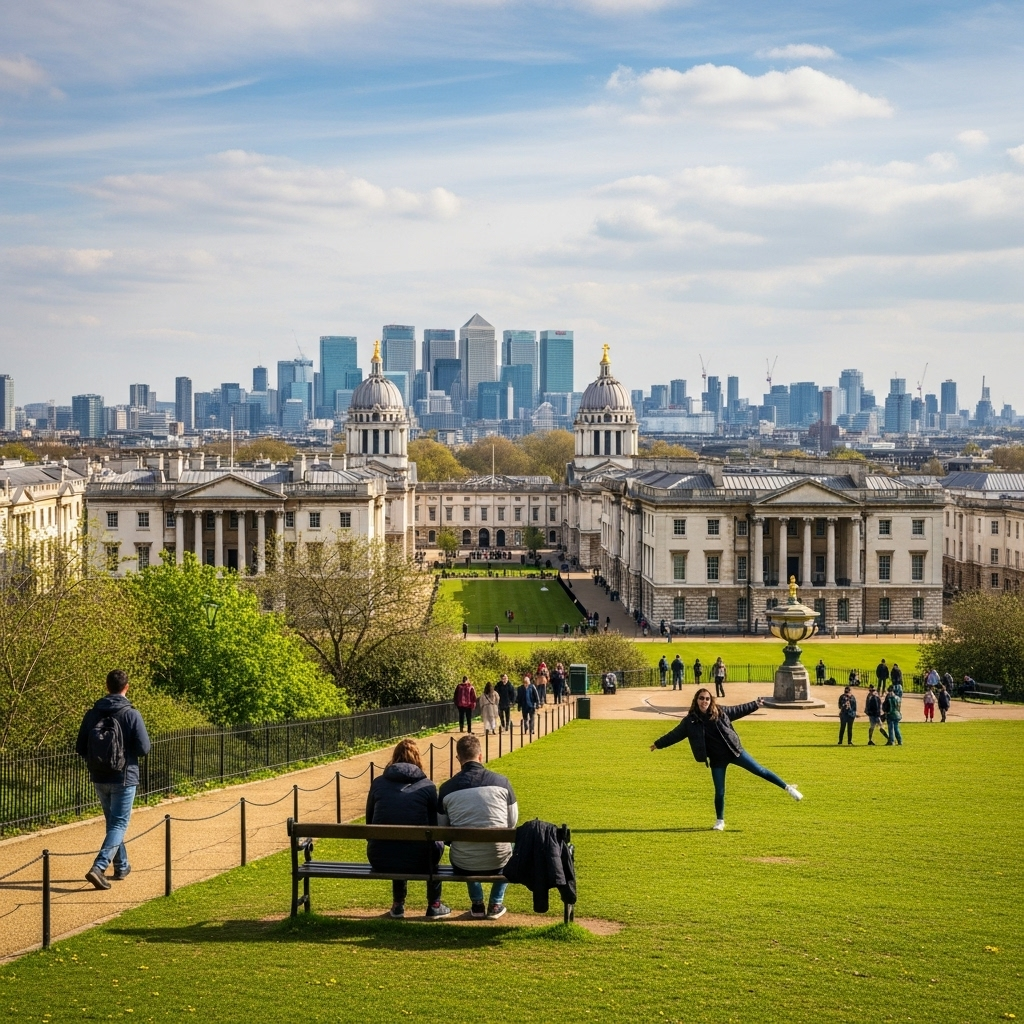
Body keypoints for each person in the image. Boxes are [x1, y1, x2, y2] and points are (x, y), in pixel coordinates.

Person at [650, 688, 802, 831]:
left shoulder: (721, 712)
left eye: (707, 699)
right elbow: (675, 735)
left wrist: (755, 704)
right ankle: (720, 821)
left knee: (759, 770)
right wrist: (658, 744)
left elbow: (739, 709)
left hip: (734, 752)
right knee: (720, 791)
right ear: (696, 700)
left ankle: (788, 788)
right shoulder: (690, 722)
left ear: (711, 701)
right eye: (701, 698)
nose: (704, 701)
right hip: (717, 760)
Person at [75, 670, 151, 890]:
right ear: (126, 687)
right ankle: (98, 867)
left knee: (113, 824)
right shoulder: (130, 714)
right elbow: (144, 748)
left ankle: (121, 865)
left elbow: (80, 747)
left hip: (99, 776)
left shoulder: (92, 714)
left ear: (107, 686)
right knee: (118, 823)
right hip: (124, 776)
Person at [366, 739, 450, 919]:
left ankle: (398, 904)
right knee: (431, 845)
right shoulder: (427, 786)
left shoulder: (378, 783)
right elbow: (435, 827)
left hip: (380, 857)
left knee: (397, 845)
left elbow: (369, 822)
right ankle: (434, 904)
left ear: (394, 758)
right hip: (421, 859)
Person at [438, 735, 518, 919]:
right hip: (498, 861)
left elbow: (443, 830)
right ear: (480, 756)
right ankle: (496, 903)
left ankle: (477, 903)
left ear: (458, 758)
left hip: (464, 863)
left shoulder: (446, 788)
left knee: (464, 846)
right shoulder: (502, 782)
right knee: (511, 846)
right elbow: (511, 823)